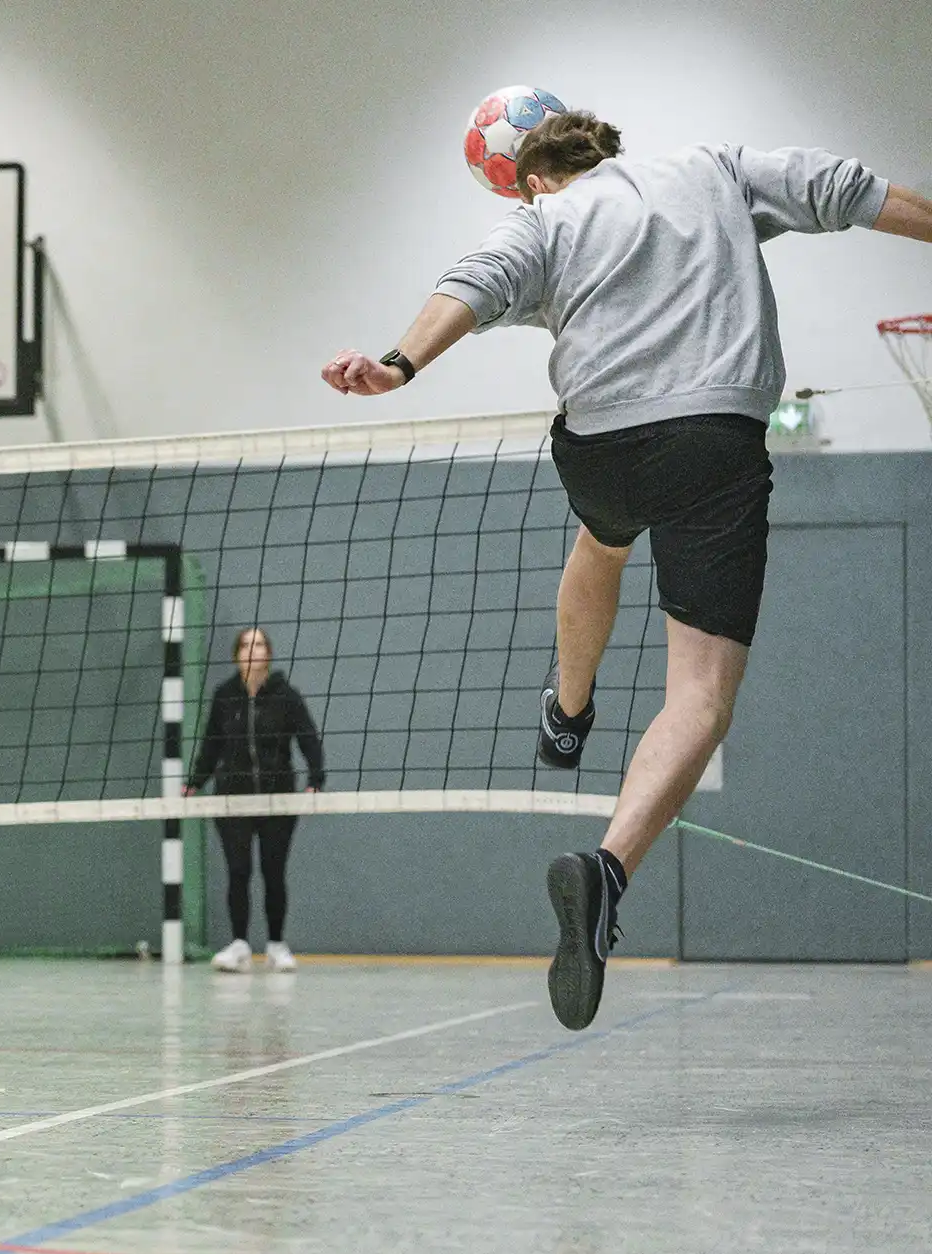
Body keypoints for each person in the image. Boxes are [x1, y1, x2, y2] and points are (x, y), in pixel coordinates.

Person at [320, 111, 932, 1029]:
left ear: (528, 178)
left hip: (599, 445)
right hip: (714, 443)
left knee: (601, 541)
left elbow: (472, 285)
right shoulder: (712, 169)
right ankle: (608, 871)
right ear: (602, 150)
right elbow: (843, 188)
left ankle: (568, 711)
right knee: (700, 693)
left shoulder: (540, 222)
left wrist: (399, 364)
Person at [183, 627, 326, 974]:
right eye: (246, 644)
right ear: (237, 654)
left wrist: (315, 780)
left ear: (268, 653)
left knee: (273, 872)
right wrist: (194, 783)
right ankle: (239, 945)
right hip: (232, 799)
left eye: (259, 644)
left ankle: (276, 945)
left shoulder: (286, 696)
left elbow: (309, 739)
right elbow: (210, 746)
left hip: (278, 799)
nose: (252, 650)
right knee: (238, 870)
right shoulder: (224, 696)